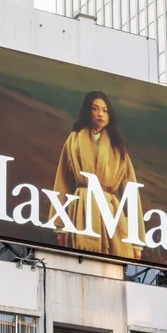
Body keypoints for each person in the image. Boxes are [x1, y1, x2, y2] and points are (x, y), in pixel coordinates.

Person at [49, 91, 145, 259]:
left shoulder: (118, 147)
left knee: (112, 262)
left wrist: (136, 240)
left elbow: (131, 190)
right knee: (80, 259)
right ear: (88, 111)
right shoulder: (75, 139)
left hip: (110, 213)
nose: (100, 114)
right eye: (95, 109)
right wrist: (60, 226)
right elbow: (63, 181)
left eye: (105, 110)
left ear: (109, 115)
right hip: (82, 210)